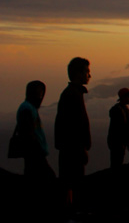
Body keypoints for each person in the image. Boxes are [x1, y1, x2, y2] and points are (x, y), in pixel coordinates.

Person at [55, 57, 91, 207]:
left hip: (70, 149)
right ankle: (71, 213)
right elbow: (73, 125)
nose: (89, 76)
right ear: (78, 73)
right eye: (87, 72)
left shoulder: (71, 94)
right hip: (72, 150)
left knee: (70, 182)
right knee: (72, 182)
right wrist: (80, 147)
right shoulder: (72, 95)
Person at [16, 80, 55, 179]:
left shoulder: (30, 108)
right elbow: (28, 134)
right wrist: (37, 150)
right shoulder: (27, 109)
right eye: (39, 93)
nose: (41, 96)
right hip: (34, 154)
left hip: (34, 153)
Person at [107, 87, 129, 169]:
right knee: (117, 161)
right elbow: (125, 128)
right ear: (124, 97)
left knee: (116, 161)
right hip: (118, 142)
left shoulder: (121, 109)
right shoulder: (120, 110)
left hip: (116, 142)